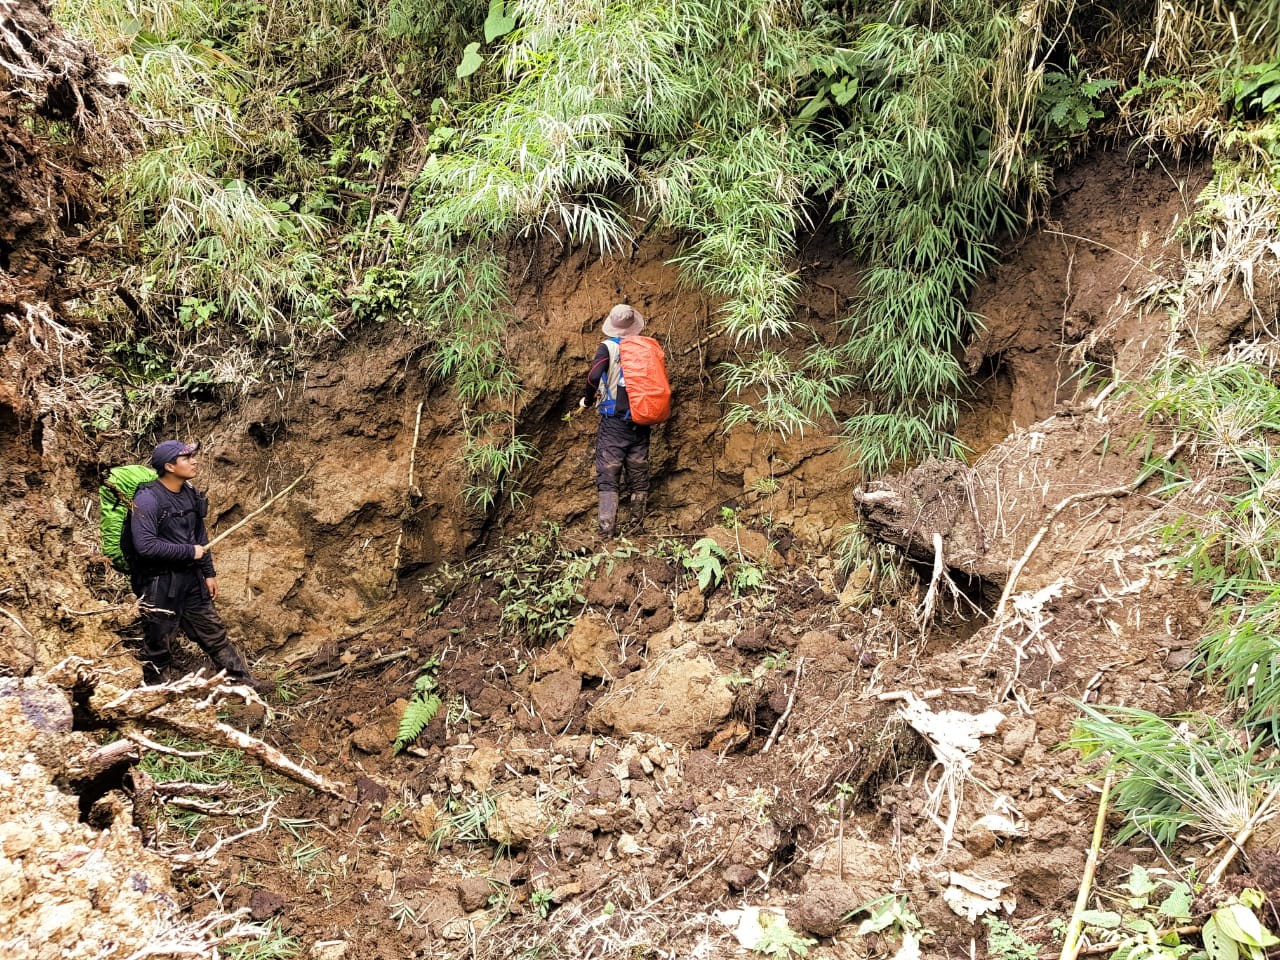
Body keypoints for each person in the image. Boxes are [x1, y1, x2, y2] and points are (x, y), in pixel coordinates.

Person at [129, 439, 260, 689]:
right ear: (169, 466)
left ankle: (243, 684)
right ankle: (155, 693)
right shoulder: (147, 498)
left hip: (190, 580)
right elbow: (144, 546)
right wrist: (190, 552)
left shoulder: (189, 492)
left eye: (193, 456)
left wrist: (208, 572)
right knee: (158, 641)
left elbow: (199, 535)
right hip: (158, 583)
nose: (194, 461)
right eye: (186, 458)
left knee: (214, 633)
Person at [579, 304, 652, 537]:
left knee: (609, 471)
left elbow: (593, 376)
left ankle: (607, 531)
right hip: (641, 418)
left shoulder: (608, 347)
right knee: (638, 467)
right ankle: (637, 524)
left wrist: (587, 401)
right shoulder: (645, 347)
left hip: (614, 421)